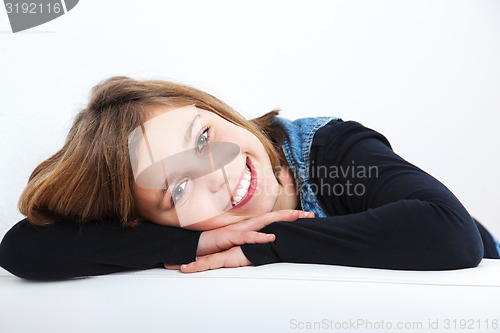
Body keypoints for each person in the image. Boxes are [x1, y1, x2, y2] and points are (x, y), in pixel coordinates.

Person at [0, 76, 498, 280]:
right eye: (177, 188)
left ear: (217, 111)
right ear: (156, 222)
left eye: (202, 139)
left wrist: (271, 242)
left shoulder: (332, 150)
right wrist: (192, 246)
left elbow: (448, 233)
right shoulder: (182, 235)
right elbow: (21, 248)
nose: (214, 172)